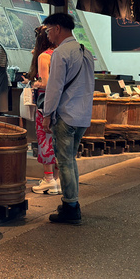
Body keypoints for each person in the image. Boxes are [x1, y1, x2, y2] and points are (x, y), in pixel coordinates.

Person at [40, 12, 95, 225]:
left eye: (48, 30)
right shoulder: (86, 52)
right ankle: (71, 202)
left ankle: (71, 207)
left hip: (65, 116)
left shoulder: (60, 53)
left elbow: (54, 88)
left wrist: (47, 115)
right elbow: (90, 86)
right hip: (82, 116)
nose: (47, 35)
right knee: (70, 160)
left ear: (58, 28)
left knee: (64, 162)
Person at [27, 26, 60, 195]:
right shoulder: (61, 54)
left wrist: (36, 84)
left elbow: (46, 83)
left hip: (46, 105)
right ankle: (58, 179)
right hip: (63, 105)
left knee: (44, 138)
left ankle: (48, 180)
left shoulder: (43, 57)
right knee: (58, 140)